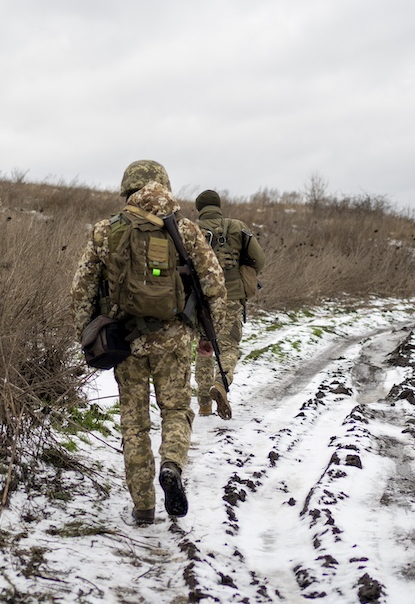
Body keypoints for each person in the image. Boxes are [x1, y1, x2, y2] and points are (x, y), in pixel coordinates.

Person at [70, 160, 227, 526]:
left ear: (127, 189)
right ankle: (172, 465)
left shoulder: (104, 231)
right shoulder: (186, 231)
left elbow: (80, 292)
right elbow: (215, 285)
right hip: (174, 340)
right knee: (175, 410)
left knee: (134, 423)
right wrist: (208, 336)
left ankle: (143, 505)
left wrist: (88, 338)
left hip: (125, 342)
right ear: (165, 186)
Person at [193, 190, 266, 420]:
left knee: (203, 346)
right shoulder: (236, 226)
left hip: (199, 298)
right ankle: (221, 383)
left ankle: (204, 403)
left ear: (199, 208)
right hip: (232, 296)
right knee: (229, 345)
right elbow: (259, 259)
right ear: (219, 206)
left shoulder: (190, 229)